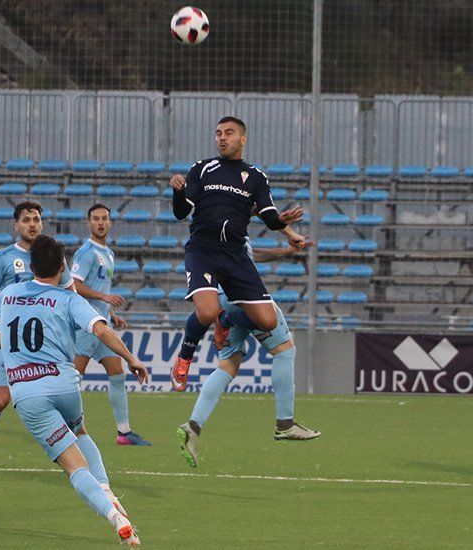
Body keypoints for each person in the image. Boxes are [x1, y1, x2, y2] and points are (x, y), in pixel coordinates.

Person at [0, 235, 147, 546]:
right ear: (63, 267)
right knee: (80, 432)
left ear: (30, 266)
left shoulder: (9, 294)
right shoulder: (68, 299)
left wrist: (14, 351)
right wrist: (131, 358)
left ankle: (115, 517)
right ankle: (106, 490)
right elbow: (101, 329)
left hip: (28, 393)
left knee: (73, 466)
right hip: (64, 384)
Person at [170, 115, 305, 391]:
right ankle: (185, 356)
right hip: (203, 251)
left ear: (243, 138)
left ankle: (227, 318)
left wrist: (283, 222)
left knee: (266, 320)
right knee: (205, 312)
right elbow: (181, 212)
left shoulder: (256, 177)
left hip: (235, 256)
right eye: (218, 133)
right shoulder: (203, 169)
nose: (222, 137)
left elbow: (269, 218)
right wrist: (178, 192)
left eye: (229, 133)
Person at [177, 235, 321, 467]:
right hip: (246, 298)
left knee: (228, 366)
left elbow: (251, 252)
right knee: (284, 351)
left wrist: (284, 252)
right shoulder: (234, 213)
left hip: (221, 299)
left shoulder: (218, 226)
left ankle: (193, 426)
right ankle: (285, 423)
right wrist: (282, 227)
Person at [0, 201, 76, 472]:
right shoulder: (5, 257)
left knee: (58, 398)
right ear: (16, 225)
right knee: (0, 401)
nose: (33, 224)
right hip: (12, 343)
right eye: (27, 219)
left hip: (45, 345)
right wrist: (8, 311)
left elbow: (70, 294)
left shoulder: (53, 254)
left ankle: (73, 452)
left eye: (37, 219)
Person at [72, 204, 150, 446]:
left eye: (104, 218)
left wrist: (111, 312)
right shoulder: (86, 252)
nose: (100, 223)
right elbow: (75, 285)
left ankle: (124, 432)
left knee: (117, 374)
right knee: (74, 377)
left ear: (110, 222)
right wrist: (104, 299)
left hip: (103, 322)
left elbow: (99, 287)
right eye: (95, 219)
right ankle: (68, 428)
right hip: (87, 323)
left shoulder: (108, 253)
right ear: (89, 223)